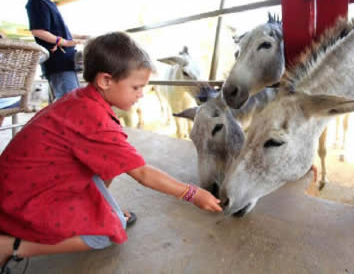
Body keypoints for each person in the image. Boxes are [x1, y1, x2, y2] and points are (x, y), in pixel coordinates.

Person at [0, 32, 222, 273]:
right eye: (136, 87)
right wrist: (192, 193)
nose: (141, 93)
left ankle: (100, 213)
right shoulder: (96, 120)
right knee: (106, 235)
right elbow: (143, 174)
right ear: (106, 81)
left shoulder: (81, 99)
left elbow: (110, 164)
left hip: (19, 185)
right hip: (21, 199)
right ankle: (10, 246)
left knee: (108, 185)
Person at [25, 0, 88, 100]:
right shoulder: (37, 2)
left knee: (73, 97)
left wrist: (79, 36)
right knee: (68, 101)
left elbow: (57, 30)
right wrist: (64, 42)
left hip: (66, 61)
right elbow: (38, 31)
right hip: (58, 63)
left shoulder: (49, 3)